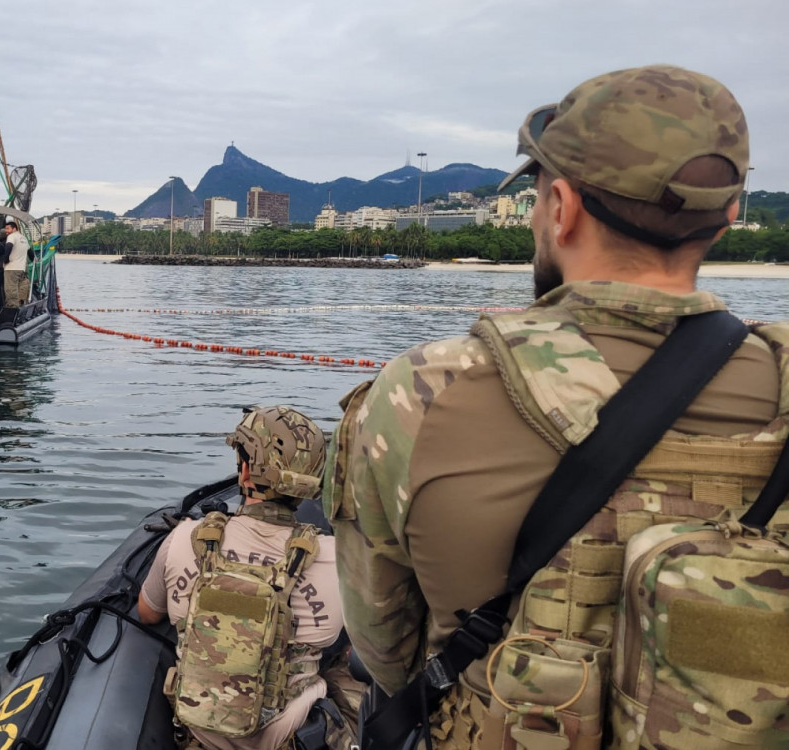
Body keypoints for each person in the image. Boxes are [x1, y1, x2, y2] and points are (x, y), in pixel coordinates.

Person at [324, 64, 784, 748]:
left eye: (538, 197)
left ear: (562, 207)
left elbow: (385, 647)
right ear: (729, 216)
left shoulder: (422, 393)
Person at [139, 406, 354, 750]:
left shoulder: (184, 538)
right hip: (296, 739)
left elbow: (148, 614)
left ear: (245, 471)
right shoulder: (342, 560)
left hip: (196, 738)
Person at [2, 220, 31, 306]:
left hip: (11, 268)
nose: (6, 231)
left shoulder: (11, 237)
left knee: (10, 291)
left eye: (8, 228)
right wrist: (33, 259)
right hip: (21, 269)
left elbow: (8, 247)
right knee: (20, 290)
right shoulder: (24, 238)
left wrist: (5, 260)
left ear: (14, 228)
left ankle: (12, 310)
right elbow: (30, 252)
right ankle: (21, 307)